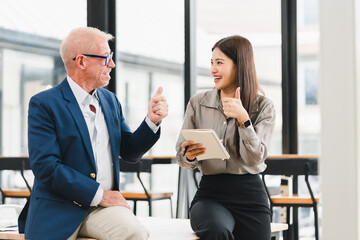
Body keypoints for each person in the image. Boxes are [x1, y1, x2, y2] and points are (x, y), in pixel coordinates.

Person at [18, 27, 168, 240]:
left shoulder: (111, 101)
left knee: (135, 233)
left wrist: (152, 121)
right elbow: (46, 167)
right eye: (106, 58)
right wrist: (100, 195)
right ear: (81, 61)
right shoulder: (44, 104)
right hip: (58, 209)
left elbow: (129, 152)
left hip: (103, 210)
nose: (112, 64)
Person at [176, 35, 275, 240]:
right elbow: (181, 157)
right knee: (216, 230)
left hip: (250, 196)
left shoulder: (263, 106)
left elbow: (256, 159)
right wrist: (190, 156)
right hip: (211, 195)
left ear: (240, 65)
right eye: (212, 62)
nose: (213, 69)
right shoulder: (197, 103)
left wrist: (244, 121)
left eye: (219, 63)